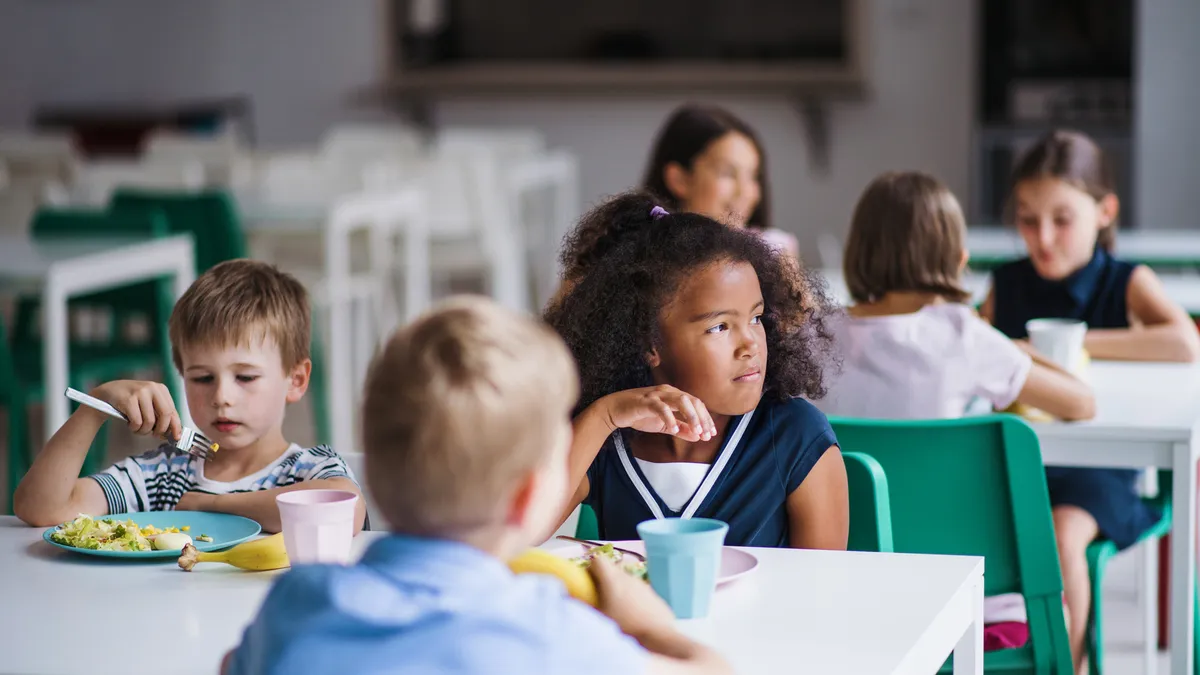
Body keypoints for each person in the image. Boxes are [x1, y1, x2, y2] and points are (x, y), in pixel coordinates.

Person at [223, 297, 731, 675]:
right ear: (531, 495)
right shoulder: (555, 637)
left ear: (372, 473)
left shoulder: (298, 604)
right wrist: (648, 627)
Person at [981, 130, 1200, 671]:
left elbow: (1183, 342)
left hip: (1099, 469)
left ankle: (1065, 663)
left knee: (1058, 537)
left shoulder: (1124, 281)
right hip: (1018, 463)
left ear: (1104, 212)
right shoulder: (1006, 283)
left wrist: (1063, 343)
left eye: (1062, 219)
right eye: (1028, 220)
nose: (1043, 237)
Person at [546, 192, 847, 549]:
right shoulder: (608, 439)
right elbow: (527, 528)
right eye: (719, 327)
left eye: (755, 318)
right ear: (649, 344)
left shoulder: (796, 435)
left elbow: (822, 589)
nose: (750, 344)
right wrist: (604, 415)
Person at [14, 259, 365, 534]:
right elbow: (43, 509)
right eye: (202, 378)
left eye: (245, 376)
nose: (222, 397)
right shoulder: (165, 474)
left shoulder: (310, 470)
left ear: (296, 380)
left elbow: (341, 509)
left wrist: (209, 506)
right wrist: (94, 409)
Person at [817, 170, 1095, 422]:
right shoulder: (964, 335)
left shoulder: (813, 335)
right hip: (932, 480)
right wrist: (1020, 349)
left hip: (844, 480)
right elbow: (1082, 404)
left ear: (857, 252)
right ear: (958, 261)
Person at [642, 103, 798, 257]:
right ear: (679, 180)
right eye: (728, 173)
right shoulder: (646, 259)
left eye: (753, 175)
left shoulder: (775, 252)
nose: (744, 192)